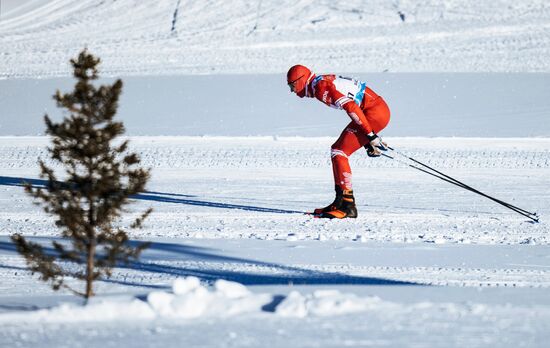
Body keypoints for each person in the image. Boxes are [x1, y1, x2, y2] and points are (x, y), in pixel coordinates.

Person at [287, 64, 391, 219]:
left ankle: (348, 206)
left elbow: (351, 107)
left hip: (374, 112)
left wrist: (370, 135)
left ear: (301, 80)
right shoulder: (319, 83)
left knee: (340, 152)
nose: (293, 91)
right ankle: (340, 200)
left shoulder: (321, 87)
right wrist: (367, 138)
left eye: (293, 85)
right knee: (337, 150)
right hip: (374, 109)